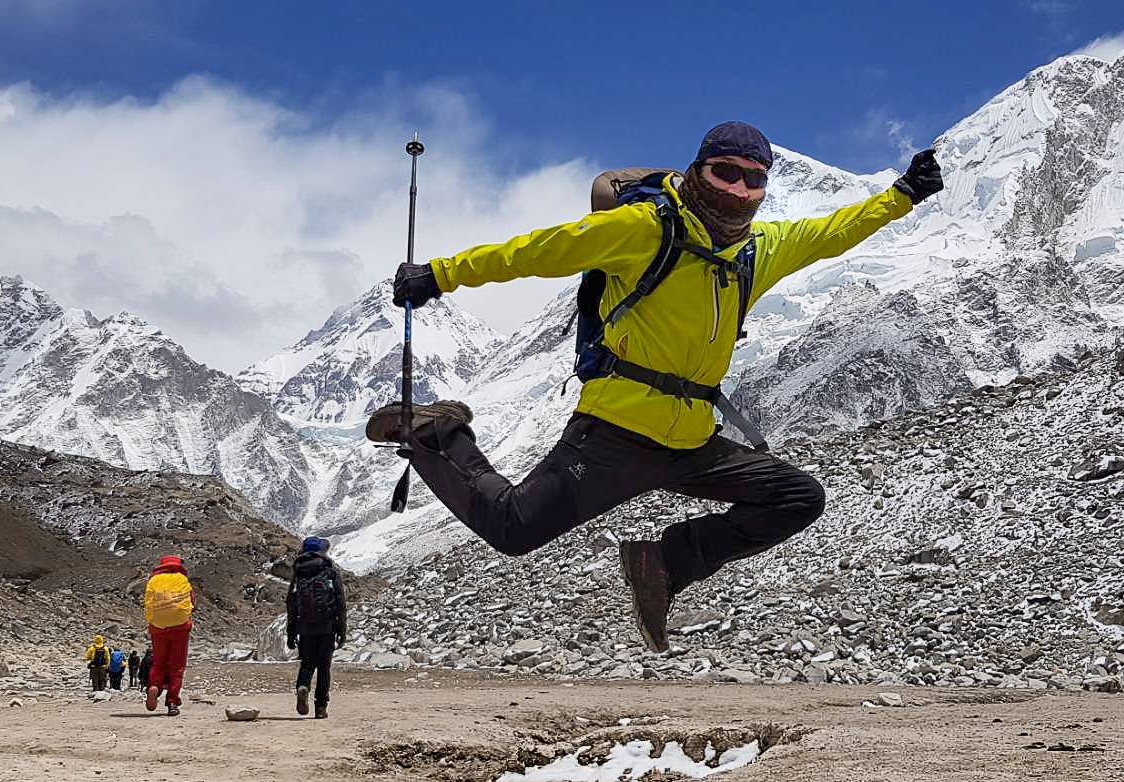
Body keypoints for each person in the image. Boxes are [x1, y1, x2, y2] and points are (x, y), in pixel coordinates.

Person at [370, 121, 945, 652]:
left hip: (693, 441)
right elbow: (539, 250)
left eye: (754, 180)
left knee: (797, 497)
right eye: (726, 173)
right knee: (513, 529)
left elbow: (832, 232)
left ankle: (664, 564)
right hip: (617, 432)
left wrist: (902, 196)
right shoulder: (643, 229)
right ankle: (441, 432)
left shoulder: (754, 253)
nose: (739, 191)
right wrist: (441, 275)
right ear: (697, 171)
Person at [284, 537, 347, 720]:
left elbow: (291, 605)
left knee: (307, 664)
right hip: (327, 628)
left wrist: (291, 632)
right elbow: (340, 604)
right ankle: (320, 708)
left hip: (304, 629)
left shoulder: (299, 574)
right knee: (324, 668)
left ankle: (303, 687)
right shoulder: (329, 572)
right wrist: (342, 631)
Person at [143, 554, 195, 716]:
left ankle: (154, 687)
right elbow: (192, 602)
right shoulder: (182, 580)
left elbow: (147, 602)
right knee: (176, 666)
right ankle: (172, 702)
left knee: (159, 663)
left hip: (158, 628)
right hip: (180, 627)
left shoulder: (154, 581)